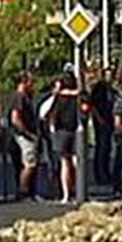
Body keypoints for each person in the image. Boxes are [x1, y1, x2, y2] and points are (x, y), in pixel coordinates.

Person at [50, 73, 80, 204]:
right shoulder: (79, 96)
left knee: (64, 163)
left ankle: (66, 194)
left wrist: (52, 129)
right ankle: (79, 190)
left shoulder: (59, 97)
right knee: (77, 161)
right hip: (76, 130)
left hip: (61, 131)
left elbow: (52, 114)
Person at [9, 73, 40, 201]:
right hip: (24, 136)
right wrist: (27, 133)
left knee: (30, 163)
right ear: (25, 82)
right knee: (30, 164)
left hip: (26, 135)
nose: (33, 86)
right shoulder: (20, 97)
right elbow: (15, 118)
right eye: (32, 83)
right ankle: (23, 190)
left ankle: (28, 190)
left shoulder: (26, 97)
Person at [89, 69, 115, 186]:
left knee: (107, 148)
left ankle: (106, 173)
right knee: (102, 147)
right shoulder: (99, 87)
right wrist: (98, 118)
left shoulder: (111, 88)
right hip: (101, 121)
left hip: (109, 120)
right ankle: (100, 175)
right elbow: (92, 104)